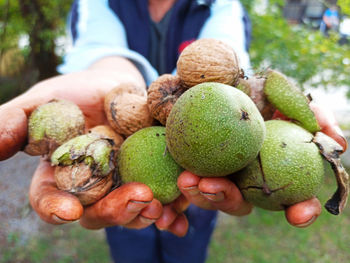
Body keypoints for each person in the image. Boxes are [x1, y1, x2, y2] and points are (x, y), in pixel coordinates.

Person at [0, 0, 347, 262]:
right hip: (126, 175)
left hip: (203, 182)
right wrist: (108, 80)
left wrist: (271, 96)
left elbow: (226, 60)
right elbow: (97, 48)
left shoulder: (222, 5)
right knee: (130, 240)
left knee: (187, 242)